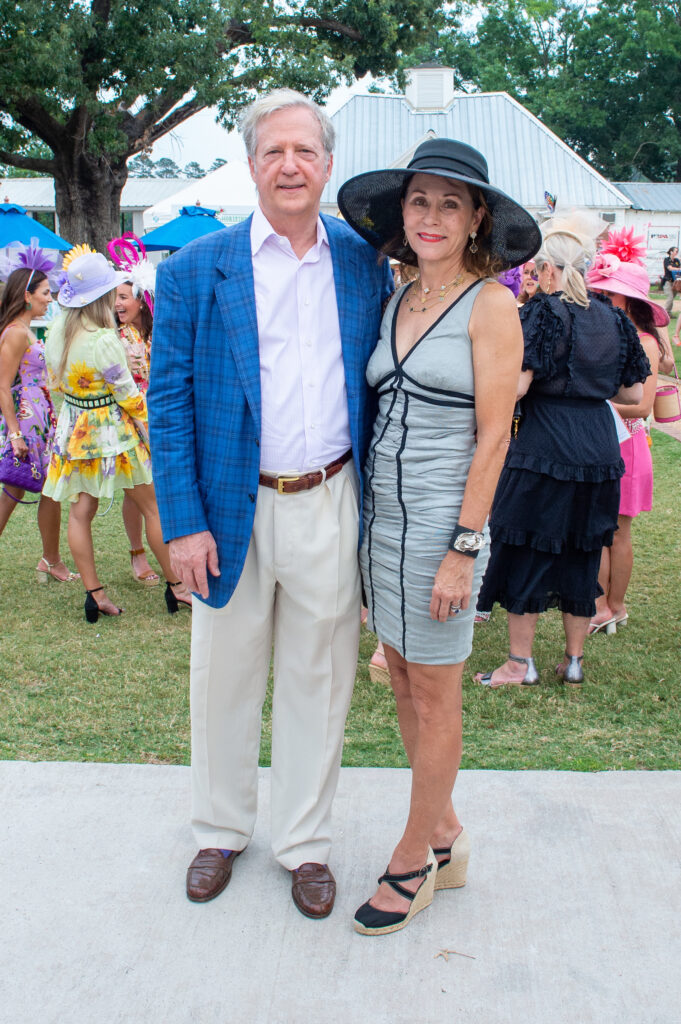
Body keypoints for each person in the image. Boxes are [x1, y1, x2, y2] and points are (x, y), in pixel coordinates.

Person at [148, 89, 393, 917]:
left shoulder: (362, 263)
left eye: (305, 151)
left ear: (327, 164)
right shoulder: (193, 270)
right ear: (251, 165)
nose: (290, 165)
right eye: (273, 151)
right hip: (227, 507)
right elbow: (168, 404)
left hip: (330, 496)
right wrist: (182, 523)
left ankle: (304, 843)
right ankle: (219, 830)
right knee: (223, 675)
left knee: (317, 677)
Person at [338, 138, 541, 935]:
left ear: (476, 219)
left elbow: (494, 437)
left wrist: (463, 548)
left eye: (450, 204)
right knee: (399, 676)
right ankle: (447, 836)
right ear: (402, 213)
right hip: (381, 524)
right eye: (419, 201)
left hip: (440, 526)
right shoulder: (397, 299)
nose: (431, 216)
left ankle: (412, 858)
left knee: (435, 689)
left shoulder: (490, 306)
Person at [473, 211, 650, 689]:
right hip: (598, 447)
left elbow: (517, 386)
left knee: (527, 548)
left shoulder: (540, 313)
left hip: (544, 445)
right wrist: (590, 384)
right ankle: (573, 662)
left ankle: (520, 663)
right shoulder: (614, 318)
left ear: (547, 269)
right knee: (583, 551)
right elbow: (634, 393)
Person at [43, 246, 192, 621]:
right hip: (113, 432)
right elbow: (128, 395)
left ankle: (95, 594)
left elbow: (56, 383)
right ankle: (178, 586)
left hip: (75, 430)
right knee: (152, 506)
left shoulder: (58, 332)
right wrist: (152, 426)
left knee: (81, 512)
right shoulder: (103, 339)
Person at [585, 229, 668, 633]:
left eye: (609, 294)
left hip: (628, 443)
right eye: (598, 293)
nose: (601, 299)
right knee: (600, 529)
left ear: (629, 300)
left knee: (617, 531)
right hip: (603, 439)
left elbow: (643, 406)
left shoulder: (645, 342)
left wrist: (593, 402)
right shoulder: (606, 333)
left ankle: (613, 606)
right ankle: (601, 605)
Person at [0, 249, 77, 582]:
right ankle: (52, 560)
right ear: (26, 295)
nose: (50, 298)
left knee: (47, 489)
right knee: (13, 493)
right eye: (45, 292)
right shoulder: (16, 332)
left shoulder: (26, 329)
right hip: (26, 423)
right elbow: (2, 386)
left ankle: (51, 560)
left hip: (41, 420)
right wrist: (15, 433)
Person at [109, 233, 159, 587]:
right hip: (129, 420)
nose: (117, 304)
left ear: (142, 299)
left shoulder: (160, 332)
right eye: (114, 298)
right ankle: (137, 552)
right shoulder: (115, 337)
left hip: (162, 418)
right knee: (136, 487)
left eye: (123, 297)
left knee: (159, 488)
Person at [662, 246, 680, 314]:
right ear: (671, 252)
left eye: (677, 251)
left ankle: (669, 313)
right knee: (670, 297)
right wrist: (678, 269)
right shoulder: (667, 260)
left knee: (672, 298)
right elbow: (670, 268)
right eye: (676, 251)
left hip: (675, 282)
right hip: (668, 282)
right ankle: (665, 313)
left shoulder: (677, 261)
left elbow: (678, 272)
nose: (677, 253)